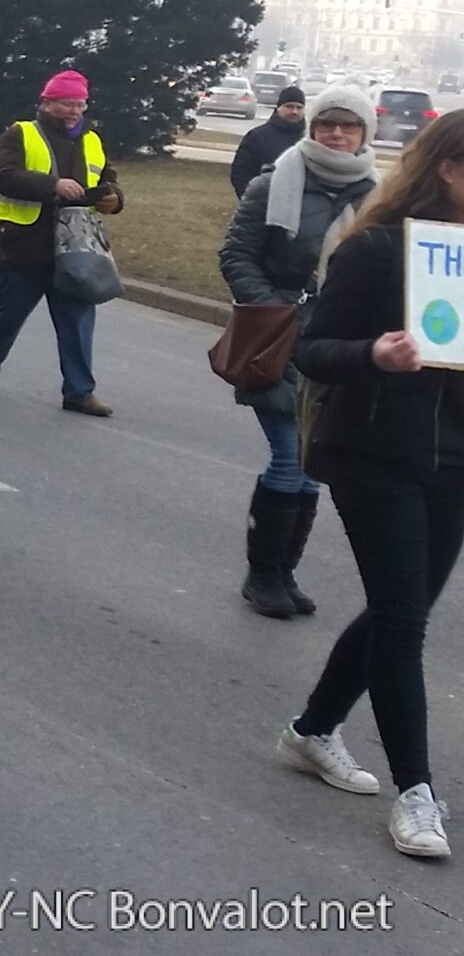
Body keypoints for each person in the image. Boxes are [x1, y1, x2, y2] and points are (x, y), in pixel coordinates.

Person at [274, 110, 464, 859]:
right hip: (377, 450)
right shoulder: (378, 249)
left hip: (455, 461)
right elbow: (312, 347)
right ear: (448, 168)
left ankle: (312, 730)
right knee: (403, 618)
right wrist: (374, 355)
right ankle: (417, 792)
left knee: (401, 608)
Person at [221, 83, 377, 619]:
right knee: (290, 455)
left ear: (363, 133)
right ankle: (262, 574)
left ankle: (283, 571)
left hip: (336, 345)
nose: (336, 133)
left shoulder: (380, 196)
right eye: (326, 123)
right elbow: (236, 256)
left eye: (347, 125)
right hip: (278, 338)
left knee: (312, 462)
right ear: (311, 127)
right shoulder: (273, 183)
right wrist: (275, 308)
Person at [0, 69, 123, 416]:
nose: (73, 111)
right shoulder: (21, 134)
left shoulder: (92, 139)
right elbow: (3, 176)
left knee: (78, 321)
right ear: (47, 103)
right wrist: (53, 185)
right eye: (66, 104)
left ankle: (80, 392)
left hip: (76, 250)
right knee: (9, 314)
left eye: (79, 104)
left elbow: (108, 180)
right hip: (25, 245)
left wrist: (113, 199)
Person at [232, 85, 310, 196]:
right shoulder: (257, 137)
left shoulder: (310, 139)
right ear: (278, 108)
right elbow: (240, 173)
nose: (294, 111)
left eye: (299, 107)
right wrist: (253, 199)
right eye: (289, 106)